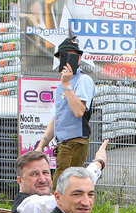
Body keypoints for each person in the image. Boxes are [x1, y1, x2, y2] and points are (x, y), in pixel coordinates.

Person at [11, 140, 109, 213]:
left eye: (45, 172)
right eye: (34, 174)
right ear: (20, 181)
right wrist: (99, 162)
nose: (42, 179)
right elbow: (71, 197)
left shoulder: (43, 201)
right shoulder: (29, 205)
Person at [35, 37, 95, 183]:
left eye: (71, 55)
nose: (66, 60)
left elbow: (79, 111)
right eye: (63, 56)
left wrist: (67, 84)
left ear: (79, 58)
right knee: (63, 188)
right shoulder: (61, 85)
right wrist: (41, 145)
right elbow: (57, 119)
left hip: (75, 142)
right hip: (64, 143)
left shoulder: (83, 80)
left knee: (62, 188)